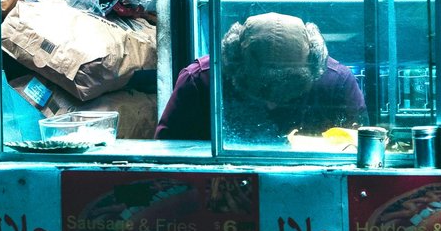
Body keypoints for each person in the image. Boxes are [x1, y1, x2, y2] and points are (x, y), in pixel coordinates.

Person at [155, 12, 364, 143]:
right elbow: (169, 155)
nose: (272, 102)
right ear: (234, 63)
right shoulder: (200, 81)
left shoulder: (337, 83)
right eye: (261, 86)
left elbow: (360, 147)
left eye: (288, 86)